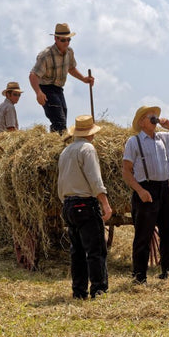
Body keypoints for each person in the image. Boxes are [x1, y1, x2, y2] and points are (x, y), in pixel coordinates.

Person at [122, 105, 169, 283]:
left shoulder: (165, 137)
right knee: (143, 235)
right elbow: (126, 171)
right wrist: (140, 190)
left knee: (168, 232)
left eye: (155, 115)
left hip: (164, 188)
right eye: (149, 116)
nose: (154, 118)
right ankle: (139, 276)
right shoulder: (134, 142)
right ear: (141, 122)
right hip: (146, 189)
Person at [58, 115, 113, 299]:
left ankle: (78, 291)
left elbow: (60, 183)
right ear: (90, 134)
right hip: (85, 204)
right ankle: (98, 290)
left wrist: (66, 203)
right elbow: (95, 180)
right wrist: (105, 204)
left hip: (68, 204)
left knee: (77, 251)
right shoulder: (87, 149)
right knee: (96, 249)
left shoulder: (65, 152)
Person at [29, 23, 95, 133]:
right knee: (59, 121)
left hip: (59, 89)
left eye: (69, 40)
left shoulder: (69, 52)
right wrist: (38, 93)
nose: (67, 43)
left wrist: (84, 79)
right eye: (63, 40)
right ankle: (58, 144)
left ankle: (55, 140)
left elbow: (71, 68)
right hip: (46, 88)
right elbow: (33, 75)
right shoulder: (46, 55)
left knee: (63, 115)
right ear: (56, 39)